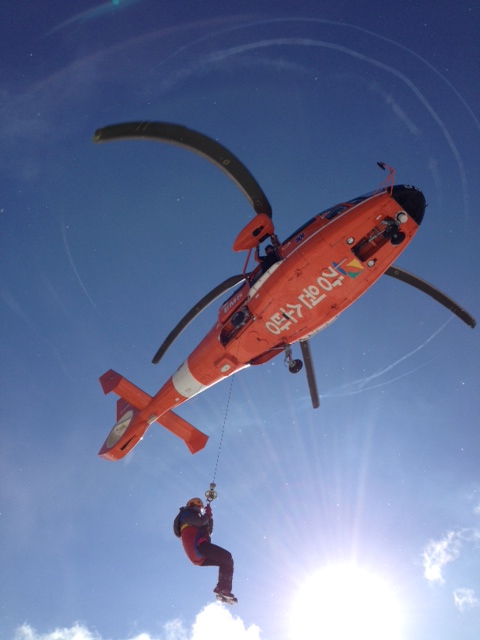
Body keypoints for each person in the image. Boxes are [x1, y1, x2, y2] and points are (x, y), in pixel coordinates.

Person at [173, 497, 237, 604]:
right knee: (226, 556)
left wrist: (209, 517)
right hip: (199, 547)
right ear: (192, 506)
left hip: (198, 557)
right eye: (198, 507)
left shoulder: (196, 521)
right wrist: (207, 515)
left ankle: (221, 589)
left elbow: (209, 531)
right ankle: (223, 589)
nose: (199, 509)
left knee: (227, 561)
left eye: (200, 508)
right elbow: (200, 522)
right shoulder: (186, 515)